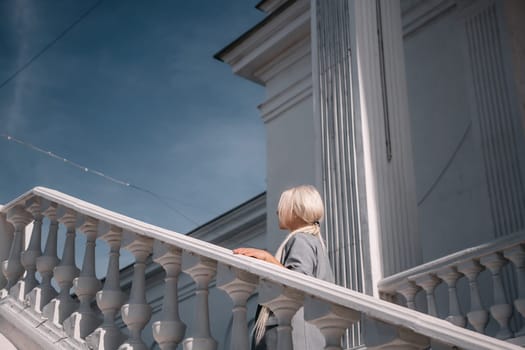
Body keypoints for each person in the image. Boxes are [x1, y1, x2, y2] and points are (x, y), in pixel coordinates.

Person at [233, 184, 334, 350]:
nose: (277, 212)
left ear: (296, 211)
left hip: (294, 336)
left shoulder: (301, 239)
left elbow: (298, 281)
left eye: (282, 207)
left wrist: (268, 259)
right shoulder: (314, 241)